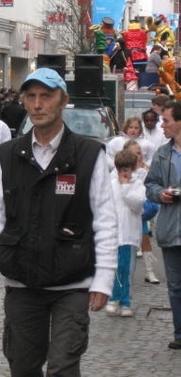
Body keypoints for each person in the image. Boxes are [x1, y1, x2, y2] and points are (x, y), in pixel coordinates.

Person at [0, 67, 118, 375]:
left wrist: (104, 278)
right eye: (31, 97)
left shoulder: (89, 154)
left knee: (63, 366)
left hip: (72, 281)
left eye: (46, 97)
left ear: (62, 101)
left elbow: (105, 220)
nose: (38, 104)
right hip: (22, 280)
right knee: (23, 367)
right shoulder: (10, 154)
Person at [144, 100, 181, 350]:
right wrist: (161, 194)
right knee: (176, 287)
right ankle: (180, 334)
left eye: (166, 120)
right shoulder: (163, 153)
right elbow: (150, 185)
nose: (162, 125)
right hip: (171, 228)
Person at [105, 149, 145, 317]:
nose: (124, 173)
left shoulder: (137, 184)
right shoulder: (110, 183)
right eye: (121, 170)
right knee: (115, 266)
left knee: (127, 269)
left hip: (129, 234)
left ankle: (126, 301)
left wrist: (126, 187)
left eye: (127, 170)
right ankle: (114, 297)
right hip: (114, 233)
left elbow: (137, 204)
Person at [123, 139, 160, 283]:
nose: (137, 156)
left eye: (139, 153)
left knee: (144, 237)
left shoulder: (144, 171)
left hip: (141, 210)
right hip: (127, 214)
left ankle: (149, 270)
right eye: (133, 153)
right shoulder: (122, 171)